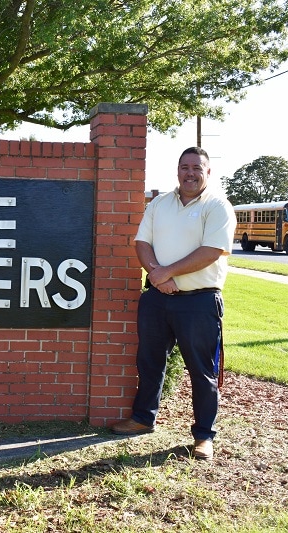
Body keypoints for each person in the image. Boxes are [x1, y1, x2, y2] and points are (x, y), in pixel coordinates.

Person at [111, 146, 237, 461]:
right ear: (177, 170)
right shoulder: (160, 203)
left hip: (199, 302)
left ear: (208, 172)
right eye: (185, 167)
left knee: (202, 371)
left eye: (197, 167)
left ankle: (204, 436)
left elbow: (211, 251)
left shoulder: (218, 206)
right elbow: (142, 242)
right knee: (150, 362)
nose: (190, 173)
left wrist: (166, 272)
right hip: (157, 299)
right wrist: (157, 277)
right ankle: (143, 418)